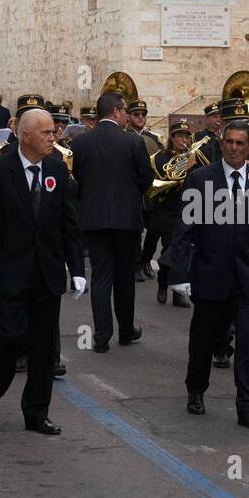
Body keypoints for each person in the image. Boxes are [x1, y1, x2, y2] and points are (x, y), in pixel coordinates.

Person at [0, 109, 87, 434]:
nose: (54, 138)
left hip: (47, 274)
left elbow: (69, 223)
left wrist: (77, 268)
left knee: (44, 347)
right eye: (47, 133)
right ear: (26, 136)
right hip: (10, 272)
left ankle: (36, 413)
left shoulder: (57, 169)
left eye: (54, 132)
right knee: (9, 337)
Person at [166, 119, 249, 431]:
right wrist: (179, 274)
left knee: (247, 344)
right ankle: (196, 389)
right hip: (209, 276)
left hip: (248, 279)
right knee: (203, 340)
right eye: (228, 141)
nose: (233, 147)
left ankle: (247, 406)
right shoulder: (200, 178)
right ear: (221, 144)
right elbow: (184, 231)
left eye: (240, 143)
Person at [70, 89, 154, 352]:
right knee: (124, 278)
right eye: (125, 111)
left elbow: (79, 179)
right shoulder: (132, 142)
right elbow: (146, 180)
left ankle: (101, 336)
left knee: (101, 276)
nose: (128, 116)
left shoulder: (81, 142)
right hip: (126, 219)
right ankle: (126, 330)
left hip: (94, 219)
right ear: (116, 111)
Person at [148, 122, 194, 307]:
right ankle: (162, 284)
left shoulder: (192, 157)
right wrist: (176, 182)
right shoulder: (161, 158)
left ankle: (177, 293)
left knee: (181, 253)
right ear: (172, 138)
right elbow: (158, 181)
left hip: (187, 210)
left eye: (186, 136)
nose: (183, 140)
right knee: (169, 252)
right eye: (179, 136)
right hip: (167, 209)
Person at [127, 98, 164, 281]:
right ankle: (135, 266)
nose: (141, 117)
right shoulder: (124, 135)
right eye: (136, 114)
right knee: (134, 230)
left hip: (151, 190)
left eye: (143, 114)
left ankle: (146, 259)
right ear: (129, 116)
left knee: (155, 228)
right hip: (132, 190)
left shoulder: (155, 138)